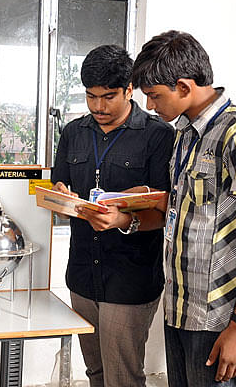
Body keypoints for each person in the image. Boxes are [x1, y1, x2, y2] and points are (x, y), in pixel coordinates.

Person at [132, 30, 236, 386]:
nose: (149, 106)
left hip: (219, 319)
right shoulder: (184, 133)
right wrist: (134, 206)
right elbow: (188, 211)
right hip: (180, 309)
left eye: (154, 95)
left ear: (184, 87)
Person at [51, 45, 174, 387]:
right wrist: (60, 196)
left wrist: (123, 220)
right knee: (96, 373)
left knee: (122, 378)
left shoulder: (158, 135)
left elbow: (167, 210)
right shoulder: (73, 133)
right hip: (82, 276)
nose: (98, 107)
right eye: (91, 96)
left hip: (130, 281)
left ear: (129, 89)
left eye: (108, 97)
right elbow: (60, 186)